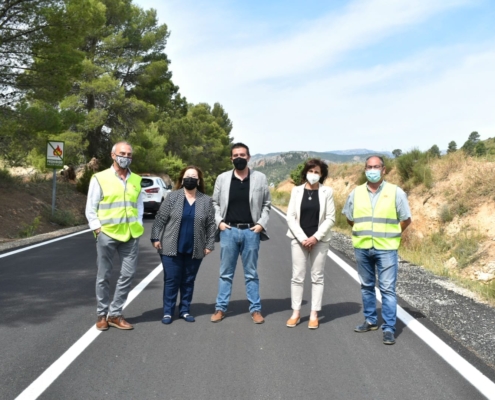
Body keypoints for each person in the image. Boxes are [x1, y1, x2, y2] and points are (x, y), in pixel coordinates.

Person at [342, 155, 411, 345]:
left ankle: (389, 328)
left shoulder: (396, 192)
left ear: (384, 170)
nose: (373, 170)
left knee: (387, 289)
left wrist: (394, 234)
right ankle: (371, 320)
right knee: (366, 286)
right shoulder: (356, 193)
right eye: (369, 167)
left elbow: (405, 219)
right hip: (362, 246)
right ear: (365, 170)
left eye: (376, 167)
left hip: (386, 248)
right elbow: (349, 217)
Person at [85, 141, 144, 331]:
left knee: (128, 274)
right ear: (113, 155)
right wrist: (97, 229)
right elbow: (90, 208)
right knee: (104, 275)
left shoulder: (136, 179)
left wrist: (139, 223)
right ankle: (102, 314)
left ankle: (115, 314)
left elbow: (139, 205)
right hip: (107, 234)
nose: (125, 157)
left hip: (130, 235)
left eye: (129, 154)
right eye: (122, 153)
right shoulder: (99, 178)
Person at [210, 142, 271, 324]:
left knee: (251, 273)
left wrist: (261, 224)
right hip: (228, 230)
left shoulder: (260, 178)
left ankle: (255, 310)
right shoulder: (222, 178)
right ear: (231, 158)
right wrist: (219, 222)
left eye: (242, 155)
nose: (239, 158)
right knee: (225, 273)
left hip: (251, 232)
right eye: (235, 155)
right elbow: (215, 203)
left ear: (248, 157)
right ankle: (220, 308)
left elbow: (267, 205)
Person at [150, 166, 216, 324]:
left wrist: (209, 244)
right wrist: (155, 238)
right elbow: (160, 219)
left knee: (188, 280)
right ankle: (168, 312)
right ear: (182, 179)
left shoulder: (206, 201)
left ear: (198, 181)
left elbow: (211, 225)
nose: (190, 179)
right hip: (170, 247)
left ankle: (185, 310)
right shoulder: (172, 197)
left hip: (195, 248)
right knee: (172, 280)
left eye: (194, 176)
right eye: (188, 176)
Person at [286, 159, 335, 329]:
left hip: (319, 241)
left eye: (317, 172)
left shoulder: (327, 192)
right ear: (305, 172)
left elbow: (330, 218)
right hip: (299, 240)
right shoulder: (296, 191)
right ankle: (296, 312)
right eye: (311, 171)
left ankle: (314, 314)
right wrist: (302, 238)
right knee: (297, 277)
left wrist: (315, 237)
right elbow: (290, 217)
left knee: (317, 277)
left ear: (322, 175)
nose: (313, 175)